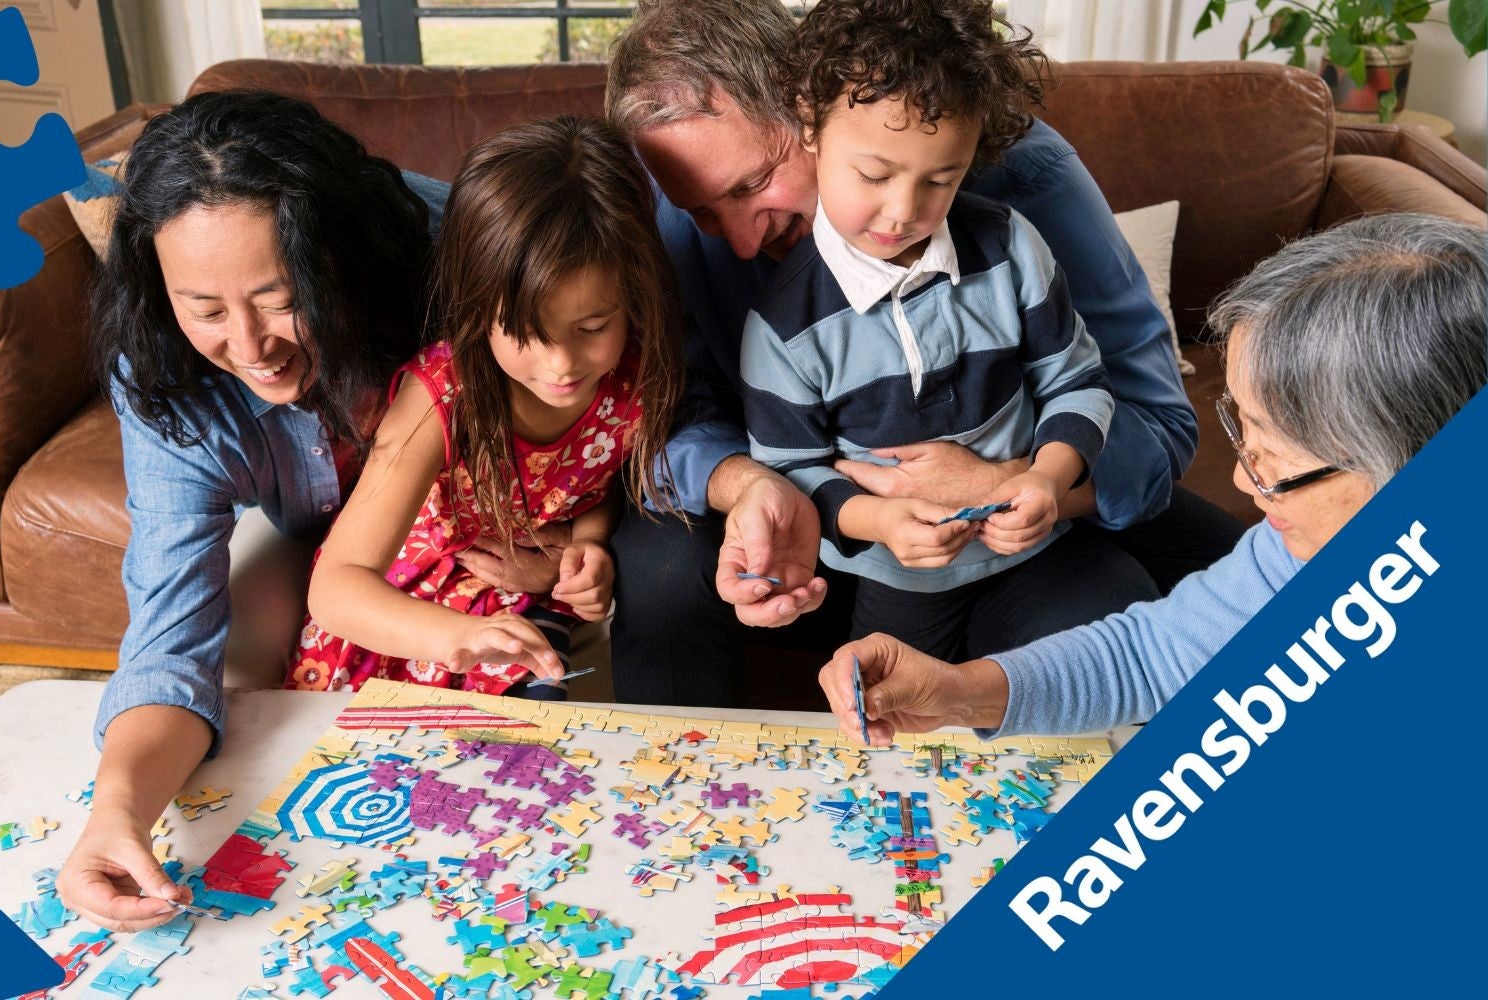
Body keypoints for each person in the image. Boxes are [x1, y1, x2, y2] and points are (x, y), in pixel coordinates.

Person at [600, 0, 1243, 706]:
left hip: (1017, 513)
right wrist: (752, 486)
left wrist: (1007, 487)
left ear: (808, 108)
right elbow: (664, 410)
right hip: (811, 513)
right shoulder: (680, 209)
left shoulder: (1019, 189)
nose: (743, 244)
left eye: (753, 186)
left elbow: (1154, 421)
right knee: (656, 562)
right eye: (701, 212)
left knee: (1163, 595)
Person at [65, 90, 547, 932]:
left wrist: (582, 539)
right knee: (244, 648)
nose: (251, 349)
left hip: (478, 528)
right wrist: (117, 816)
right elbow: (170, 638)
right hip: (316, 542)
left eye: (283, 297)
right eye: (205, 311)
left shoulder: (454, 252)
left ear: (342, 259)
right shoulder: (161, 373)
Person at [818, 212, 1487, 741]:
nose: (1251, 486)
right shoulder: (1292, 552)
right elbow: (1154, 653)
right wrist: (957, 692)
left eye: (1277, 455)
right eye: (1241, 426)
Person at [737, 0, 1154, 661]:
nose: (903, 212)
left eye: (942, 179)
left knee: (1125, 631)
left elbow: (1079, 383)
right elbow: (790, 472)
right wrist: (880, 520)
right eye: (874, 175)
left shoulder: (1012, 246)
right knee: (899, 717)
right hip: (899, 575)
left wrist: (1047, 479)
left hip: (1039, 548)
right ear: (810, 124)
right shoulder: (782, 326)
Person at [298, 116, 684, 698]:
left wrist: (587, 545)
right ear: (478, 308)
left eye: (592, 326)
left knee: (524, 747)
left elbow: (596, 484)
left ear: (634, 295)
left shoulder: (634, 375)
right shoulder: (439, 397)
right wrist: (459, 636)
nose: (562, 364)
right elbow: (336, 587)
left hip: (524, 608)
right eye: (528, 333)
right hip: (406, 615)